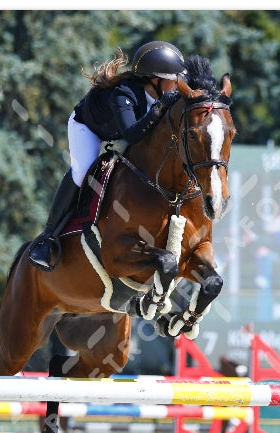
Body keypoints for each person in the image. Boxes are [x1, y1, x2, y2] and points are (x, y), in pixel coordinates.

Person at [28, 41, 186, 271]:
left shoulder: (164, 92)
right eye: (174, 79)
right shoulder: (124, 93)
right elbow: (132, 135)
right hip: (89, 128)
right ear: (155, 80)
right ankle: (48, 238)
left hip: (123, 131)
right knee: (83, 171)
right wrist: (160, 107)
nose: (179, 84)